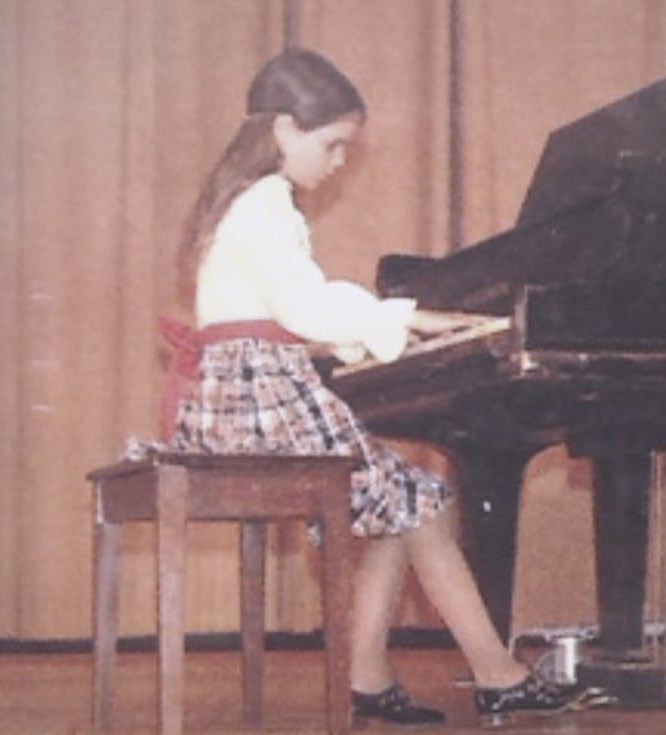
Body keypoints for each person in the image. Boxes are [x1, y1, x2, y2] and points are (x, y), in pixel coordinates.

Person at [132, 47, 593, 726]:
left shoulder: (240, 201)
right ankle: (498, 675)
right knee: (420, 503)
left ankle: (370, 677)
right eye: (332, 144)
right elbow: (306, 308)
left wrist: (391, 323)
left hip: (240, 398)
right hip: (260, 400)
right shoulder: (268, 201)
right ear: (284, 128)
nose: (339, 161)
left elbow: (284, 312)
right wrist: (408, 319)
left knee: (400, 502)